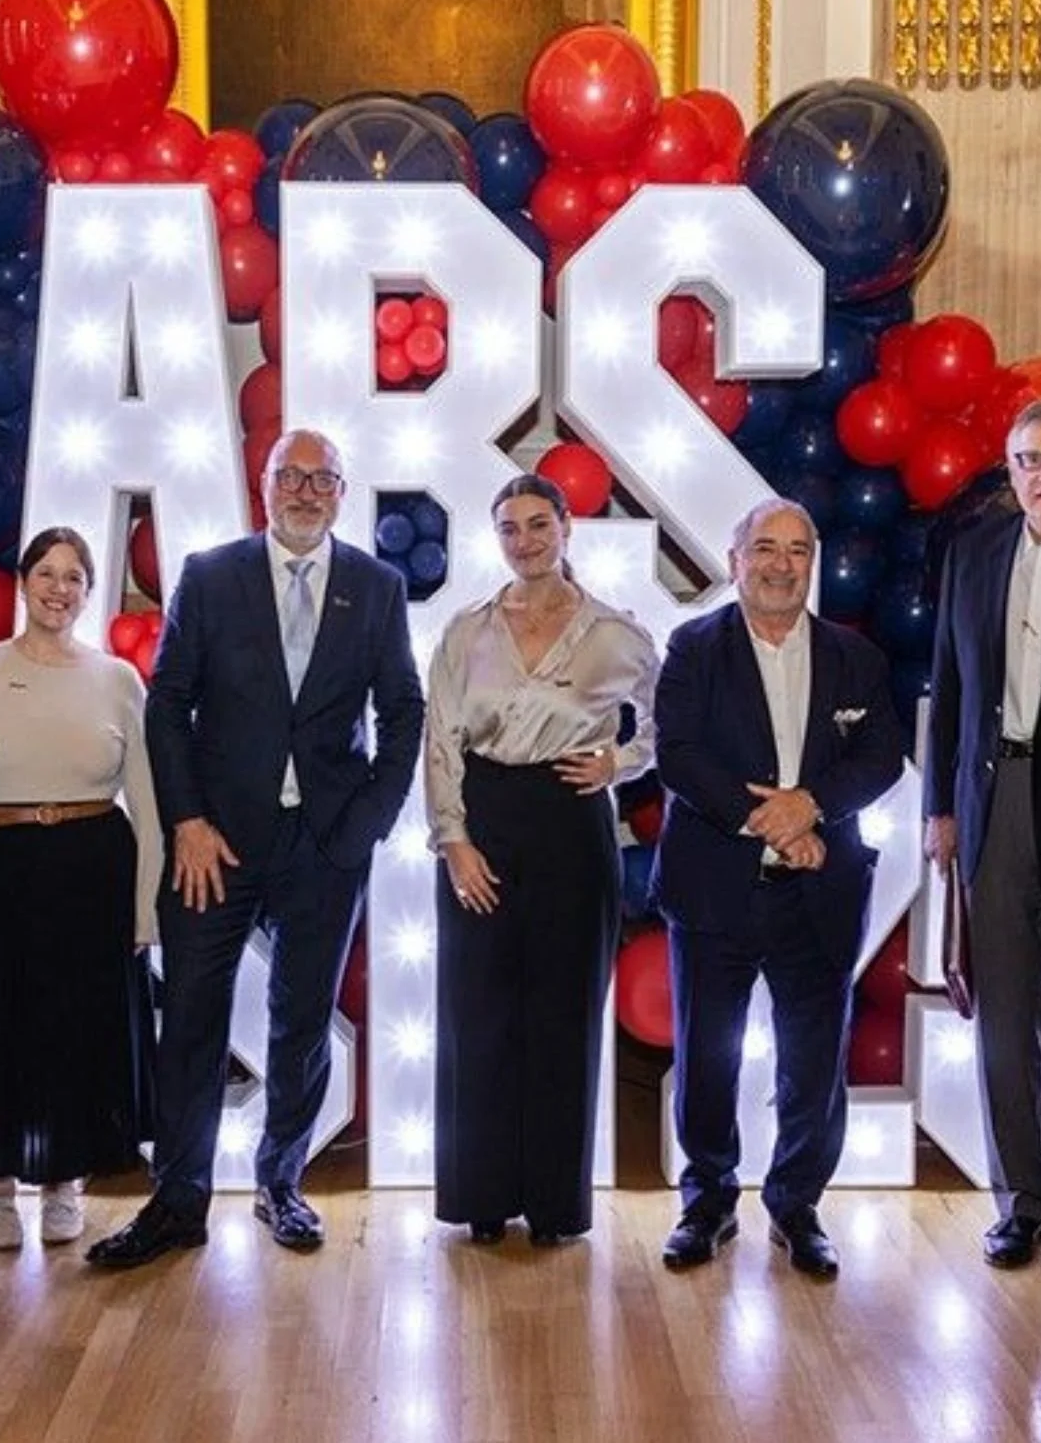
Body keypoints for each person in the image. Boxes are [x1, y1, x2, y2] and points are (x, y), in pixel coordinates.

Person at [88, 429, 424, 1269]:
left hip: (326, 845)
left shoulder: (377, 588)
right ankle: (178, 1201)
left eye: (323, 479)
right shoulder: (210, 575)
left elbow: (404, 711)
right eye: (291, 477)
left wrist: (368, 824)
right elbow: (167, 706)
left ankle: (281, 1184)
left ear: (342, 494)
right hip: (216, 843)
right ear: (263, 486)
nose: (306, 492)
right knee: (193, 1018)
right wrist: (186, 821)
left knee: (302, 1022)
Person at [651, 498, 903, 1280]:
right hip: (716, 887)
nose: (781, 564)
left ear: (813, 563)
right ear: (735, 560)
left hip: (819, 890)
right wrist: (773, 820)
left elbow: (884, 755)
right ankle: (709, 1200)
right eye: (765, 547)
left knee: (812, 1058)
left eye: (799, 549)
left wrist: (813, 808)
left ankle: (797, 1203)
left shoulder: (854, 656)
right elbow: (679, 755)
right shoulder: (694, 647)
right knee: (707, 1055)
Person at [424, 474, 657, 1245]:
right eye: (509, 528)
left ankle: (557, 1204)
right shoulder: (466, 631)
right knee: (477, 1017)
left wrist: (621, 763)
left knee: (564, 1015)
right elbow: (440, 741)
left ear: (565, 530)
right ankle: (481, 1198)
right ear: (497, 539)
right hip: (481, 823)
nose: (525, 540)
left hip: (571, 825)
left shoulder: (614, 632)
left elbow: (668, 719)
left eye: (537, 524)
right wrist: (453, 840)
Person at [0, 527, 161, 1250]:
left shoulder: (118, 679)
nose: (59, 589)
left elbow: (148, 801)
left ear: (89, 592)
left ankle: (65, 1183)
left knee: (76, 1032)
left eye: (75, 578)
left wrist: (146, 905)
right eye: (47, 574)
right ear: (22, 582)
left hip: (94, 871)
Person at [925, 398, 1041, 1281]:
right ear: (1011, 468)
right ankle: (1021, 1203)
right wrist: (941, 813)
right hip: (992, 806)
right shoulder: (976, 552)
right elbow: (948, 688)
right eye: (1032, 460)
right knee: (1004, 1022)